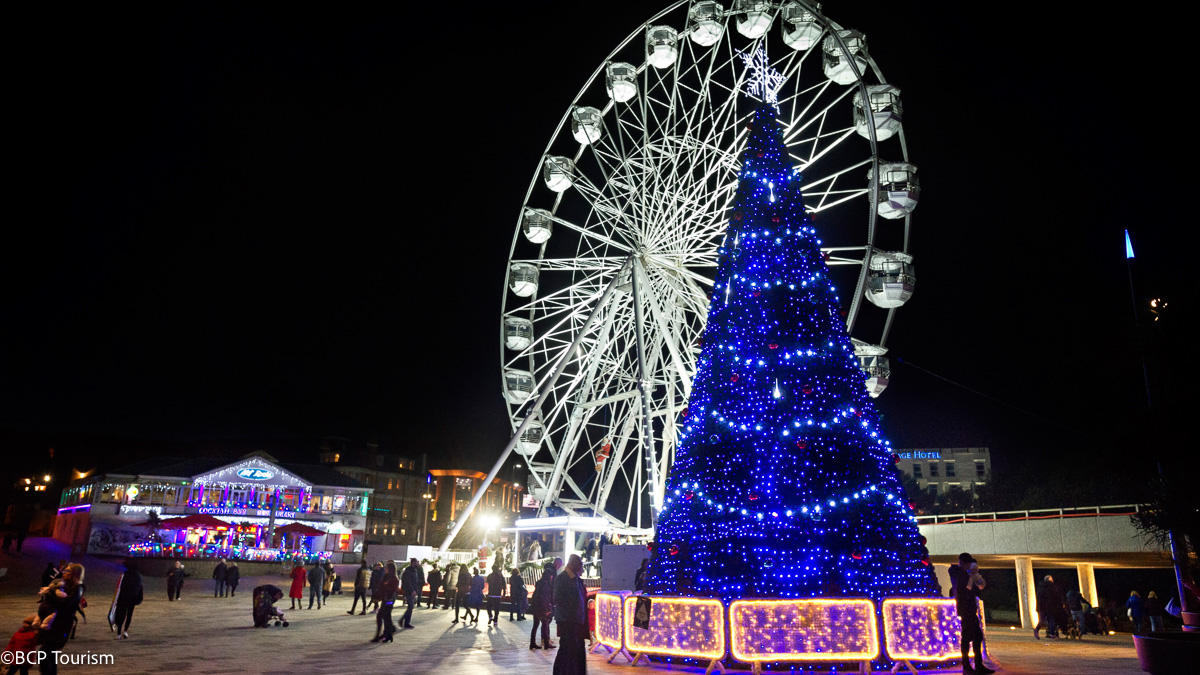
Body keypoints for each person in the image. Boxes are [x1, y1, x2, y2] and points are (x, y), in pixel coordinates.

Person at [951, 553, 993, 675]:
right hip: (966, 610)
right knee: (968, 638)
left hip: (968, 610)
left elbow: (978, 587)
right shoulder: (961, 574)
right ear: (966, 563)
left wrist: (975, 576)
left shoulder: (963, 574)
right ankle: (969, 666)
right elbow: (966, 589)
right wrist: (972, 576)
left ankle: (975, 665)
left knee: (976, 637)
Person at [38, 563, 84, 675]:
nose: (63, 573)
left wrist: (49, 595)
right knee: (51, 655)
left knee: (43, 653)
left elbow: (65, 603)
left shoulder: (78, 588)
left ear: (75, 574)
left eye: (67, 571)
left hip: (61, 625)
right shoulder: (62, 585)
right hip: (52, 623)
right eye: (64, 570)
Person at [553, 554, 588, 675]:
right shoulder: (563, 578)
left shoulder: (576, 579)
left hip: (577, 620)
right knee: (567, 649)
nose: (581, 568)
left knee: (574, 649)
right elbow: (558, 599)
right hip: (568, 620)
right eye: (580, 565)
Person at [108, 559, 142, 640]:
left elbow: (121, 587)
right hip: (133, 598)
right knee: (129, 615)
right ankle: (125, 631)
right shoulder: (139, 576)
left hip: (124, 598)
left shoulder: (125, 575)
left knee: (121, 615)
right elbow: (140, 588)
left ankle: (119, 633)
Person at [529, 561, 556, 649]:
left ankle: (532, 642)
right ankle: (546, 643)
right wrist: (547, 609)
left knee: (536, 624)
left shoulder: (540, 583)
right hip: (542, 607)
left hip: (536, 606)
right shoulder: (545, 584)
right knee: (545, 624)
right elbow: (545, 597)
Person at [372, 562, 399, 643]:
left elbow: (392, 589)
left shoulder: (394, 578)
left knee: (385, 616)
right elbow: (381, 586)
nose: (385, 569)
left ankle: (386, 634)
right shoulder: (386, 576)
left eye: (387, 567)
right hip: (385, 598)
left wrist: (385, 588)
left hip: (389, 599)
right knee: (384, 616)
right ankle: (388, 633)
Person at [399, 558, 424, 629]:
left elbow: (414, 580)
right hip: (409, 591)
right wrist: (412, 590)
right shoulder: (409, 570)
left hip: (412, 591)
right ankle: (404, 621)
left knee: (410, 607)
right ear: (413, 562)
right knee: (411, 606)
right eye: (416, 562)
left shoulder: (414, 570)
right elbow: (408, 581)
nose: (418, 563)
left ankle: (405, 622)